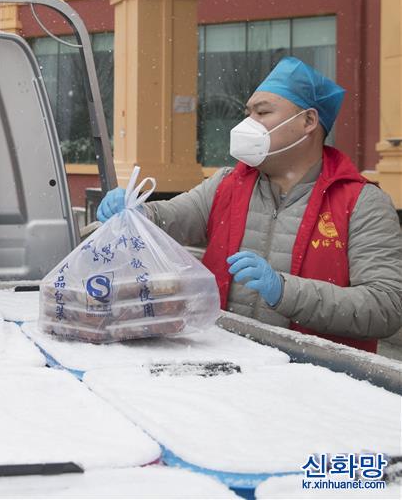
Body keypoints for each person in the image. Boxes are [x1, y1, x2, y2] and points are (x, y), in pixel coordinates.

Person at [96, 57, 402, 352]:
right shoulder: (228, 184)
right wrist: (136, 211)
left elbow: (386, 306)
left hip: (316, 381)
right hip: (231, 366)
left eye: (262, 113)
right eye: (249, 113)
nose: (248, 124)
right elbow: (171, 218)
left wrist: (284, 291)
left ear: (308, 121)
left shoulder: (361, 203)